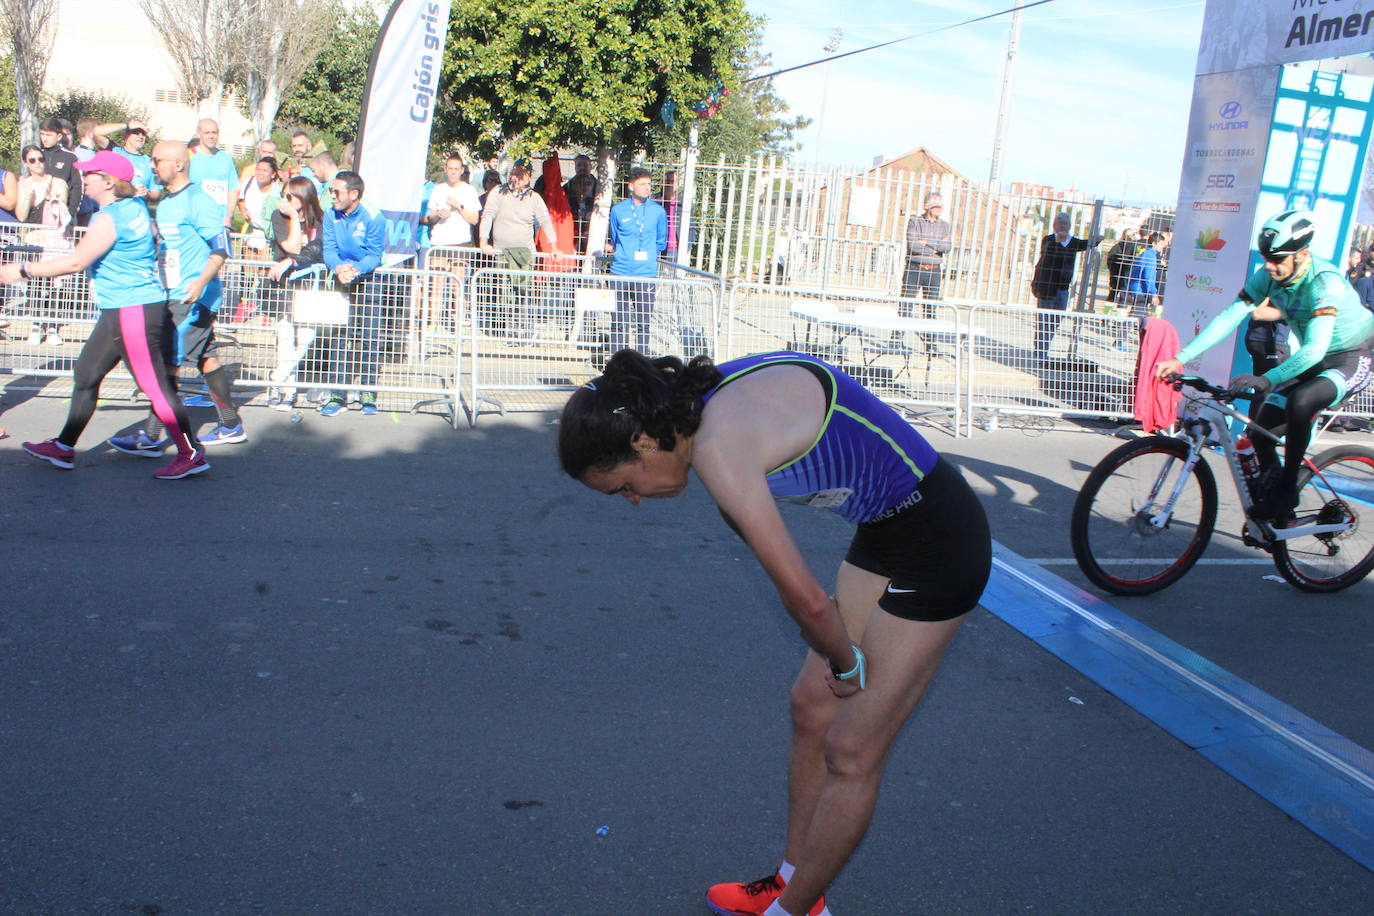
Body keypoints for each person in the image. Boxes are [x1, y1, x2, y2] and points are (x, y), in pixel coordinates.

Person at [558, 349, 990, 916]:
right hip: (888, 533)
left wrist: (848, 663)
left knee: (853, 750)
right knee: (812, 708)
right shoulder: (694, 408)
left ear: (641, 442)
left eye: (622, 488)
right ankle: (795, 888)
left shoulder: (717, 448)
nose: (634, 502)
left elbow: (807, 602)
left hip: (943, 543)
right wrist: (840, 662)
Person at [2, 151, 208, 479]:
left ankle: (191, 452)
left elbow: (75, 262)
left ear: (109, 182)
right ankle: (64, 447)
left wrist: (20, 270)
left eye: (90, 174)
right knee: (86, 374)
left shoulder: (109, 218)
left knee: (155, 385)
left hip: (132, 309)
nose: (83, 179)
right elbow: (153, 238)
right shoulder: (133, 207)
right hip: (122, 308)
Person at [1156, 209, 1374, 519]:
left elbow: (1314, 349)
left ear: (1302, 254)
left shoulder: (1325, 282)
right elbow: (1230, 316)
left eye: (1278, 259)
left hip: (1354, 355)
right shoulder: (1268, 276)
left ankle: (1286, 492)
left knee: (1301, 401)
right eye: (1266, 257)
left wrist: (1268, 378)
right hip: (1319, 357)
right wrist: (1181, 358)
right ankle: (1276, 517)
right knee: (1260, 433)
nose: (1270, 266)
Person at [107, 140, 243, 456]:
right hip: (173, 294)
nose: (153, 165)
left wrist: (200, 282)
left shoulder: (199, 201)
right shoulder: (168, 202)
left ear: (178, 164)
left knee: (167, 364)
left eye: (157, 160)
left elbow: (222, 247)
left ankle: (153, 436)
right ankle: (231, 424)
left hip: (194, 298)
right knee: (206, 357)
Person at [320, 169, 387, 416]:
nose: (332, 196)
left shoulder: (373, 216)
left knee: (371, 335)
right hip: (340, 276)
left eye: (337, 192)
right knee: (338, 334)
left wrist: (356, 269)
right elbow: (328, 249)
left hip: (369, 278)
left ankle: (368, 392)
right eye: (331, 191)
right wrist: (337, 267)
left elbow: (374, 255)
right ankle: (337, 394)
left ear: (354, 194)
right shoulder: (330, 214)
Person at [266, 176, 327, 411]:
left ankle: (277, 377)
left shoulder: (319, 220)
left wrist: (293, 260)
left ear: (304, 195)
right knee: (285, 336)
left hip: (310, 284)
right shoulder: (279, 216)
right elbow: (290, 245)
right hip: (284, 284)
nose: (285, 200)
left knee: (306, 336)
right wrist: (292, 217)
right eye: (284, 195)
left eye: (290, 196)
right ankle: (286, 390)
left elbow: (314, 251)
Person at [478, 160, 555, 337]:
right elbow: (487, 215)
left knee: (524, 293)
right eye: (513, 173)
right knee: (505, 293)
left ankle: (526, 329)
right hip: (501, 252)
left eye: (520, 174)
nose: (515, 177)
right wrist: (483, 241)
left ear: (528, 177)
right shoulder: (498, 192)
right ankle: (510, 329)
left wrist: (554, 246)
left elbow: (545, 221)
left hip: (525, 254)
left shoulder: (534, 197)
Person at [15, 144, 74, 346]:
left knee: (54, 284)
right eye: (32, 160)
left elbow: (61, 208)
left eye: (40, 159)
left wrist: (52, 197)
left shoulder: (57, 182)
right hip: (34, 239)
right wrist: (29, 196)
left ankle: (52, 327)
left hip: (54, 238)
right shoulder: (24, 184)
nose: (38, 163)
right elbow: (21, 216)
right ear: (26, 163)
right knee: (35, 283)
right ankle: (36, 324)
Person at [605, 167, 668, 354]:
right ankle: (618, 361)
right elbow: (615, 238)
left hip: (645, 274)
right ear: (631, 186)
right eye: (642, 184)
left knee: (643, 322)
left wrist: (646, 255)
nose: (647, 188)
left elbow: (661, 241)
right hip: (621, 271)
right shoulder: (618, 210)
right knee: (618, 321)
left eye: (649, 184)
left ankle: (641, 362)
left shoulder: (658, 212)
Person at [1029, 212, 1096, 360]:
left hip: (1063, 289)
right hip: (1047, 287)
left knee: (1055, 321)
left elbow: (1087, 244)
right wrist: (1060, 241)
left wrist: (1098, 239)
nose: (1062, 225)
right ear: (1054, 225)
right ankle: (1040, 351)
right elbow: (1048, 252)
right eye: (1059, 223)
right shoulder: (1049, 240)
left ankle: (1044, 348)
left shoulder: (1072, 242)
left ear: (1070, 226)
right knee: (1044, 320)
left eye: (1064, 223)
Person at [900, 192, 950, 319]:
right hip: (914, 268)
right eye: (936, 206)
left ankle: (930, 339)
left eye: (941, 206)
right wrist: (936, 246)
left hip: (934, 271)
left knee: (931, 309)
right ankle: (898, 337)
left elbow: (947, 247)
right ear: (926, 206)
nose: (939, 209)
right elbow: (913, 246)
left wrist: (926, 242)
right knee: (905, 307)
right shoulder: (914, 222)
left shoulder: (944, 225)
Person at [188, 119, 239, 226]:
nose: (211, 136)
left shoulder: (225, 158)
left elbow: (233, 190)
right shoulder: (189, 156)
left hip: (219, 221)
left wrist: (228, 216)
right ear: (199, 133)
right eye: (207, 133)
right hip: (195, 220)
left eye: (214, 133)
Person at [95, 120, 158, 200]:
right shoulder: (115, 151)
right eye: (136, 132)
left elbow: (155, 194)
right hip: (113, 208)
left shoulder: (149, 162)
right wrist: (126, 125)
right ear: (126, 135)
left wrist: (145, 193)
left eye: (143, 134)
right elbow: (95, 133)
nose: (141, 136)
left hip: (137, 209)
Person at [38, 117, 83, 223]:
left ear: (59, 136)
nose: (44, 139)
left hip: (62, 216)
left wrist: (70, 213)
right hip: (38, 218)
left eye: (48, 135)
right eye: (42, 134)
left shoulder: (70, 157)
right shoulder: (37, 155)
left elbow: (78, 187)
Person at [236, 156, 281, 258]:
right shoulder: (249, 182)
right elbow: (241, 199)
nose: (260, 173)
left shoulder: (277, 191)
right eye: (258, 169)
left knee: (264, 269)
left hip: (269, 236)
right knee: (248, 269)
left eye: (265, 170)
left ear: (273, 174)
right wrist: (243, 209)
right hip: (252, 231)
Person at [564, 154, 599, 255]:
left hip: (592, 230)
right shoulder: (568, 187)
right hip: (573, 230)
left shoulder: (599, 188)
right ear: (575, 167)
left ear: (591, 167)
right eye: (579, 165)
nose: (582, 168)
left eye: (585, 165)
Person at [1105, 229, 1136, 304]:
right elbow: (1110, 261)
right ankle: (1108, 311)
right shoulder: (1117, 247)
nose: (1130, 237)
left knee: (1119, 296)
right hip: (1117, 276)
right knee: (1114, 296)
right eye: (1128, 235)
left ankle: (1115, 310)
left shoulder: (1133, 247)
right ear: (1123, 236)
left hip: (1122, 276)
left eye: (1132, 235)